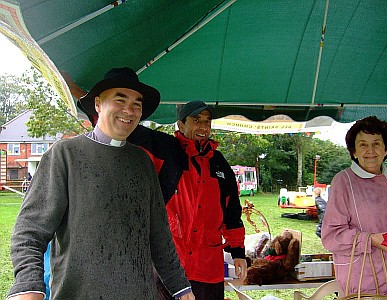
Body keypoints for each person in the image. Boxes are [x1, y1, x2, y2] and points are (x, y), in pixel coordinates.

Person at [7, 68, 195, 300]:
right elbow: (30, 231)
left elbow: (159, 234)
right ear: (97, 104)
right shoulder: (65, 155)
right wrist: (28, 284)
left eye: (137, 103)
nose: (130, 110)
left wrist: (181, 287)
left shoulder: (142, 161)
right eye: (120, 99)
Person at [63, 71, 247, 300]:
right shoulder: (164, 148)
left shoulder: (220, 164)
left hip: (208, 269)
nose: (203, 126)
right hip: (168, 267)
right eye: (196, 120)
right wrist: (80, 94)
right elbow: (120, 124)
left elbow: (232, 211)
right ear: (180, 124)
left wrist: (238, 252)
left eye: (207, 121)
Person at [321, 116, 387, 297]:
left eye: (376, 143)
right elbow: (331, 236)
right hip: (363, 282)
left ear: (386, 148)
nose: (370, 150)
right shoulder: (344, 181)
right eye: (363, 144)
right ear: (354, 151)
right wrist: (370, 239)